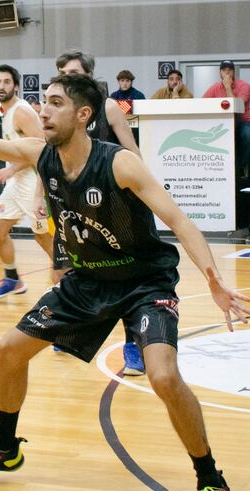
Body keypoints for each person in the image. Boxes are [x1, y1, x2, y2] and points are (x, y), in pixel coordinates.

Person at [0, 49, 250, 491]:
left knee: (162, 375)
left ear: (83, 114)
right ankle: (4, 448)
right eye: (43, 102)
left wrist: (213, 278)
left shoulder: (120, 165)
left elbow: (179, 220)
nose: (43, 110)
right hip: (86, 280)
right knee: (10, 350)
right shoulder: (39, 153)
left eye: (53, 102)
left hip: (142, 281)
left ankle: (210, 480)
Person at [56, 50, 144, 376]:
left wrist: (139, 191)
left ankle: (134, 345)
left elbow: (132, 152)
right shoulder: (60, 113)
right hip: (71, 205)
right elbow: (47, 156)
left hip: (110, 205)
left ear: (89, 76)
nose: (69, 77)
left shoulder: (109, 107)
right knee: (68, 271)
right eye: (64, 72)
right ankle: (73, 331)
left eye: (75, 72)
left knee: (122, 279)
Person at [0, 64, 56, 301]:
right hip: (16, 182)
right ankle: (12, 279)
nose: (2, 86)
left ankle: (72, 279)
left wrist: (12, 169)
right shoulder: (4, 111)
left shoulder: (22, 111)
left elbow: (42, 148)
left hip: (33, 181)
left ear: (15, 86)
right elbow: (13, 148)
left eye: (7, 82)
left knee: (43, 237)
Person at [202, 61, 250, 180]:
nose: (227, 72)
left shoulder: (244, 86)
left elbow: (236, 107)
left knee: (249, 135)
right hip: (223, 122)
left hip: (242, 121)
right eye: (224, 70)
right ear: (220, 72)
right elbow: (202, 103)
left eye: (230, 70)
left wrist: (227, 87)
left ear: (234, 72)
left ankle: (242, 166)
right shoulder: (214, 87)